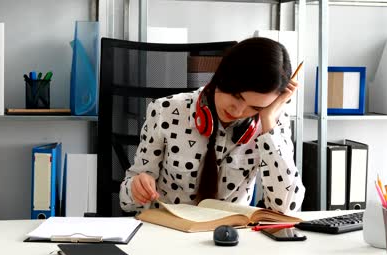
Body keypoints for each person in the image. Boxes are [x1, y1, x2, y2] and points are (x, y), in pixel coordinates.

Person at [119, 37, 305, 215]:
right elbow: (126, 201)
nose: (239, 111)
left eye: (255, 107)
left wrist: (268, 120)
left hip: (229, 238)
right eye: (236, 96)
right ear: (222, 76)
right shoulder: (165, 110)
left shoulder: (270, 123)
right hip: (169, 233)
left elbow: (287, 209)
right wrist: (136, 187)